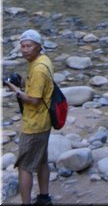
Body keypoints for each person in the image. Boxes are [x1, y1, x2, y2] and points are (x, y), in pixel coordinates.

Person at [5, 29, 54, 206]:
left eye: (29, 46)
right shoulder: (43, 60)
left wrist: (15, 90)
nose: (25, 50)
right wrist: (23, 82)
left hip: (35, 124)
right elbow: (39, 86)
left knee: (24, 167)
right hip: (44, 120)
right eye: (23, 46)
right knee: (41, 161)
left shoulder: (39, 68)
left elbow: (33, 99)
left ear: (38, 46)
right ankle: (44, 197)